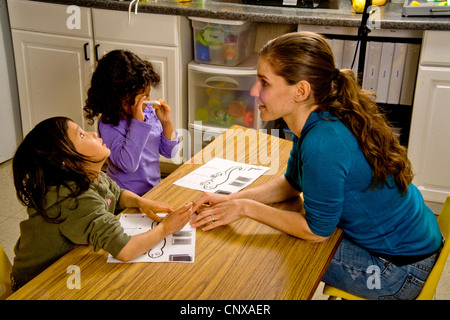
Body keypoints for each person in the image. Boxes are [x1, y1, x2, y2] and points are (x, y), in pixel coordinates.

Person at [190, 32, 443, 300]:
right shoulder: (319, 117)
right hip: (415, 241)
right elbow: (290, 184)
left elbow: (316, 231)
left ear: (301, 91)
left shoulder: (323, 143)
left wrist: (246, 208)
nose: (254, 91)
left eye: (264, 82)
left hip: (397, 272)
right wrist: (231, 199)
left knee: (274, 250)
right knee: (268, 229)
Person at [11, 117, 192, 290]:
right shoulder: (74, 200)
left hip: (68, 265)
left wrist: (140, 201)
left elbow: (116, 194)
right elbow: (125, 250)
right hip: (35, 285)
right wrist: (165, 228)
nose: (93, 134)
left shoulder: (89, 176)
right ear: (67, 162)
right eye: (81, 135)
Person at [84, 50, 179, 196]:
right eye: (131, 102)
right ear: (112, 99)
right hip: (125, 196)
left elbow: (170, 152)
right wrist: (138, 123)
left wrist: (166, 123)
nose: (141, 105)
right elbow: (128, 165)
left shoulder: (149, 113)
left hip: (153, 190)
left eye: (146, 96)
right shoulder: (109, 125)